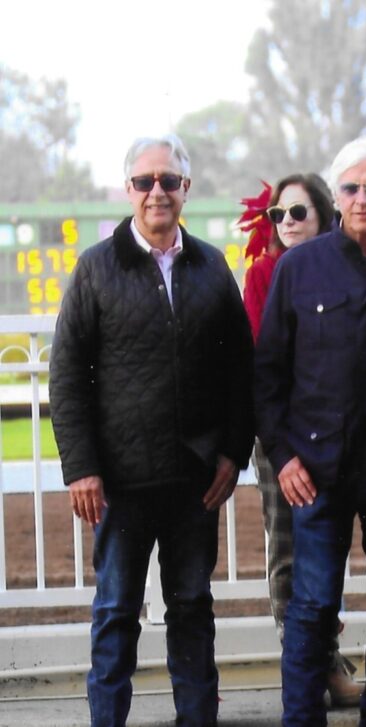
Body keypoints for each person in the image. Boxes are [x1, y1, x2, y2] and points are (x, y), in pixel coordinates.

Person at [49, 133, 254, 727]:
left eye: (169, 180)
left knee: (192, 607)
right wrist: (81, 467)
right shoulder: (95, 267)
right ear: (128, 190)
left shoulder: (214, 267)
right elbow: (65, 376)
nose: (157, 192)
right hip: (119, 482)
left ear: (186, 189)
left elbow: (240, 370)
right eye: (145, 182)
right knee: (115, 611)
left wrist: (231, 454)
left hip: (194, 481)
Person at [254, 137, 366, 727]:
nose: (362, 198)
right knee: (311, 608)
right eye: (351, 188)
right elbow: (269, 374)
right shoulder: (299, 268)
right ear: (336, 195)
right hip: (315, 473)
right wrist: (282, 457)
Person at [240, 173, 363, 708]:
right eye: (278, 215)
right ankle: (313, 670)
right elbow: (264, 364)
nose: (286, 224)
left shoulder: (349, 267)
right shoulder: (266, 273)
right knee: (290, 553)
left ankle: (325, 659)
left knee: (329, 555)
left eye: (298, 213)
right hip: (283, 438)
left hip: (341, 434)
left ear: (323, 215)